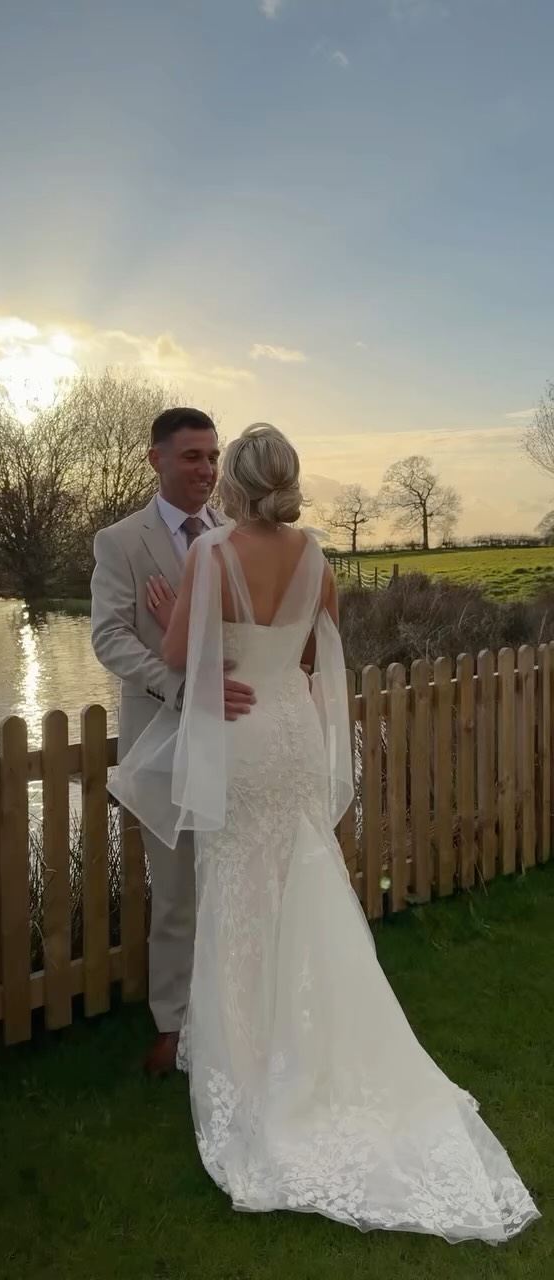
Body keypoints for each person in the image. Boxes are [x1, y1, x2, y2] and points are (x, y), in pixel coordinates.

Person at [108, 424, 540, 1243]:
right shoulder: (316, 558)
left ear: (232, 480)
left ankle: (249, 1053)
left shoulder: (211, 556)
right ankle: (317, 1036)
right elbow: (313, 655)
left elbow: (180, 656)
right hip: (294, 737)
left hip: (239, 743)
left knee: (236, 893)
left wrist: (178, 615)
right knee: (301, 882)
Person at [90, 407, 255, 1077]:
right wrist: (180, 686)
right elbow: (108, 637)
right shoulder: (120, 542)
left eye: (213, 457)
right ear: (156, 459)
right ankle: (173, 1026)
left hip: (237, 735)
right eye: (192, 457)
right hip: (162, 738)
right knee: (178, 888)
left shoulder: (234, 535)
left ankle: (234, 1012)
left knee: (232, 878)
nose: (208, 470)